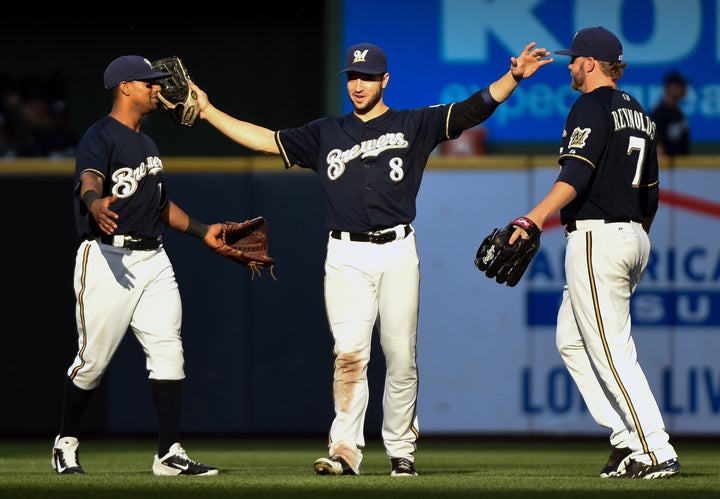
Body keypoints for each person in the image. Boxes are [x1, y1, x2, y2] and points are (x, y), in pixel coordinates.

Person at [189, 41, 552, 476]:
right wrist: (208, 111)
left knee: (400, 356)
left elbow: (474, 108)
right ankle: (344, 450)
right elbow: (267, 141)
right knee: (349, 354)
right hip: (345, 253)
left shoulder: (414, 123)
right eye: (351, 78)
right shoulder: (326, 132)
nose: (357, 85)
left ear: (385, 80)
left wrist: (513, 77)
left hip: (398, 249)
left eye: (366, 77)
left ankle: (401, 449)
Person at [511, 27, 680, 479]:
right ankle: (627, 438)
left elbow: (575, 175)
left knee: (610, 350)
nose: (569, 66)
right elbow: (651, 194)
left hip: (598, 237)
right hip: (633, 235)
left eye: (573, 59)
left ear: (589, 63)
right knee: (571, 338)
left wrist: (532, 218)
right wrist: (632, 239)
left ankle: (654, 448)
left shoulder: (590, 104)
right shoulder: (641, 113)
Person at [52, 55, 223, 476]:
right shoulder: (100, 135)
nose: (157, 88)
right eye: (148, 82)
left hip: (155, 258)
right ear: (124, 87)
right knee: (92, 360)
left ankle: (169, 453)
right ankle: (65, 442)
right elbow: (89, 180)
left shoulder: (147, 143)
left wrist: (203, 231)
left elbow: (160, 204)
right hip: (108, 256)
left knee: (169, 353)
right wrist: (94, 203)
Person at [651, 70, 690, 157]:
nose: (684, 89)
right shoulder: (659, 113)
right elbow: (656, 145)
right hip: (667, 168)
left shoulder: (679, 114)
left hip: (683, 167)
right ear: (670, 87)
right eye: (681, 86)